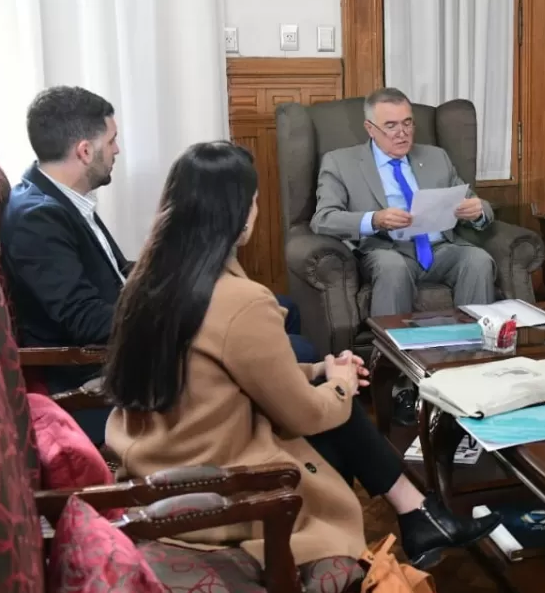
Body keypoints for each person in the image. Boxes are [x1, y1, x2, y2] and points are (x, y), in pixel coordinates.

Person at [103, 141, 499, 569]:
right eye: (254, 202)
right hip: (218, 483)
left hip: (155, 462)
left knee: (330, 396)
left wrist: (317, 369)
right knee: (338, 417)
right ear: (238, 214)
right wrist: (341, 384)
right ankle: (411, 521)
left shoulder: (144, 281)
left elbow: (219, 373)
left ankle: (419, 515)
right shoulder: (241, 300)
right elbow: (304, 416)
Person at [0, 86, 315, 444]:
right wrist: (190, 312)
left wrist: (193, 281)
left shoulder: (61, 200)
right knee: (299, 351)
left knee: (285, 308)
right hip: (99, 372)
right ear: (85, 151)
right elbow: (86, 321)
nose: (117, 150)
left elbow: (120, 271)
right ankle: (270, 441)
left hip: (128, 338)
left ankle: (277, 439)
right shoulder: (38, 218)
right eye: (112, 141)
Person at [311, 87, 497, 318]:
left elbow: (473, 200)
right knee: (392, 267)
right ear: (370, 129)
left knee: (478, 260)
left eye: (407, 123)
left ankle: (474, 347)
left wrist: (477, 211)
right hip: (386, 249)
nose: (402, 133)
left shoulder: (436, 157)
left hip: (439, 248)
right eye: (391, 126)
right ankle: (393, 351)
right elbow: (323, 219)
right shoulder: (340, 162)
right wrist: (375, 220)